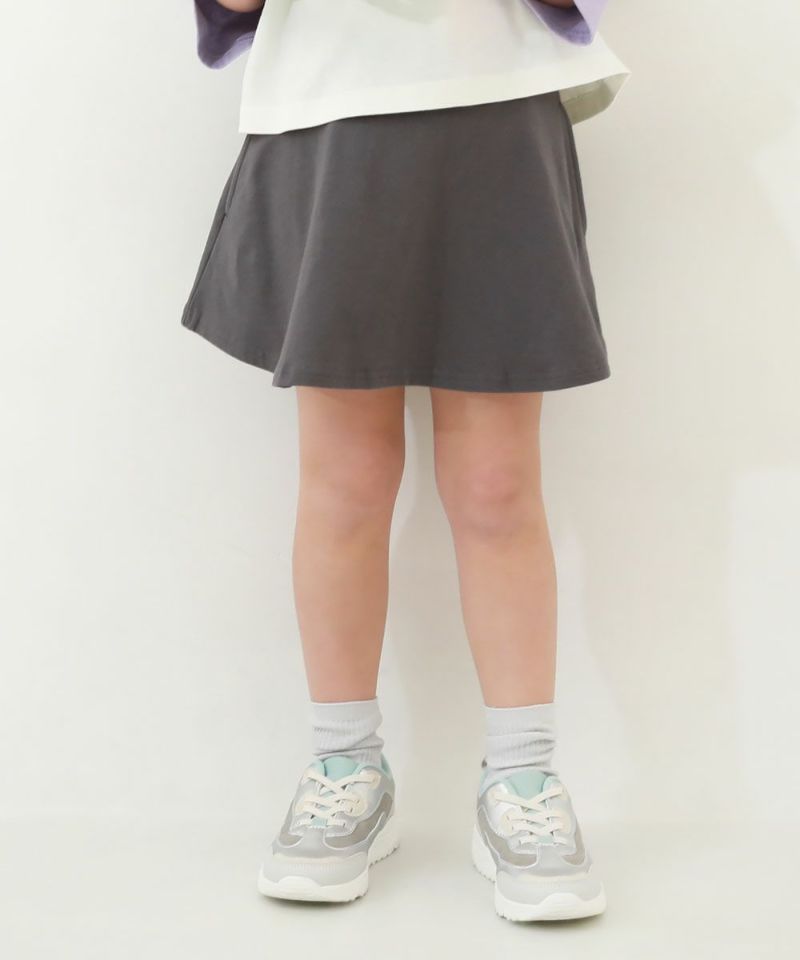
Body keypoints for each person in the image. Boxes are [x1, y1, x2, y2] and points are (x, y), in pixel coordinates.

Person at [183, 0, 630, 922]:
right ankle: (345, 764)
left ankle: (522, 778)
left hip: (498, 103)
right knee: (345, 481)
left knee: (497, 484)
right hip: (327, 115)